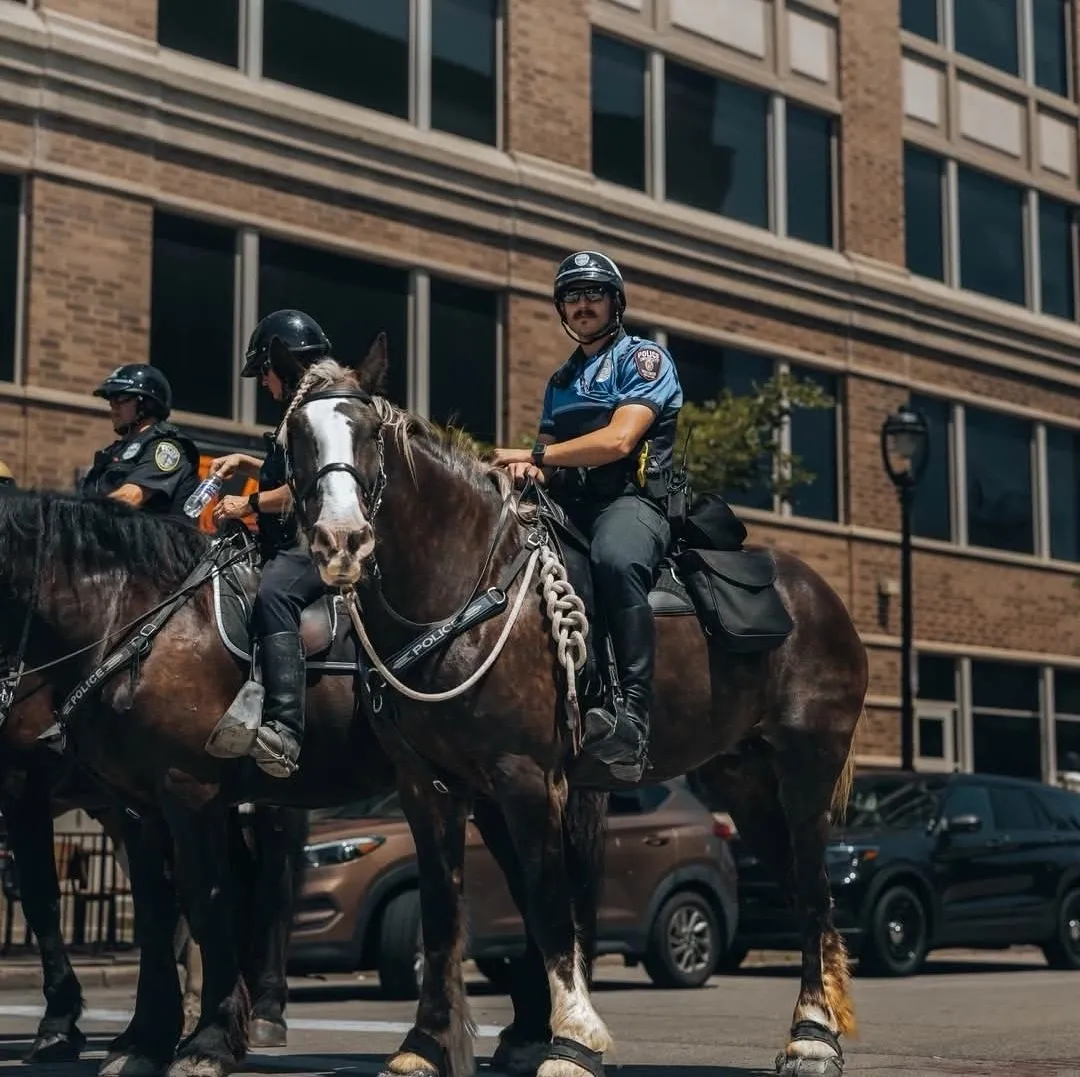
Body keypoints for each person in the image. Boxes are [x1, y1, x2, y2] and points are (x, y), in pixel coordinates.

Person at [491, 251, 683, 783]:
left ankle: (634, 719)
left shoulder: (643, 358)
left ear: (615, 302)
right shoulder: (562, 378)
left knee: (614, 560)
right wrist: (523, 473)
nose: (582, 304)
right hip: (572, 504)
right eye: (571, 296)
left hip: (634, 501)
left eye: (592, 293)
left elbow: (620, 441)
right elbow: (547, 454)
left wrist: (534, 458)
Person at [208, 309, 332, 778]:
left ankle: (284, 728)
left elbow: (309, 486)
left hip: (316, 543)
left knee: (275, 593)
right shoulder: (301, 406)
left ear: (286, 363)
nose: (263, 383)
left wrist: (249, 504)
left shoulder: (315, 408)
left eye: (264, 371)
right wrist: (246, 460)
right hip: (289, 540)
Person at [80, 365, 200, 516]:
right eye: (111, 400)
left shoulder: (167, 447)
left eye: (121, 398)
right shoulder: (114, 452)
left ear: (146, 403)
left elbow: (129, 498)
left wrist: (81, 517)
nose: (113, 407)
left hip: (156, 538)